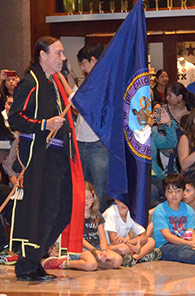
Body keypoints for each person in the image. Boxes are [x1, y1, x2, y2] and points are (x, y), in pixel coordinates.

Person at [8, 36, 84, 281]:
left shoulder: (55, 82)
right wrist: (44, 124)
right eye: (59, 53)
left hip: (60, 156)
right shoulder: (30, 82)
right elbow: (16, 119)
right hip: (41, 158)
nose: (63, 58)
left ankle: (34, 258)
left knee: (63, 208)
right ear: (43, 55)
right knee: (44, 210)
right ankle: (27, 265)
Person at [42, 182, 122, 271]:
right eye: (83, 197)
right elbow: (79, 238)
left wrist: (104, 251)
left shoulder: (98, 216)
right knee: (91, 265)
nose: (86, 201)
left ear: (93, 198)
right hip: (80, 248)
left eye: (89, 197)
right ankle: (64, 263)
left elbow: (102, 238)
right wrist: (94, 251)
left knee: (118, 260)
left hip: (96, 247)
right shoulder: (74, 216)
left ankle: (91, 262)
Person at [152, 173, 195, 266]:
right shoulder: (160, 210)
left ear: (183, 193)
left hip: (184, 241)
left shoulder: (188, 209)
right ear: (165, 193)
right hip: (164, 245)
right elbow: (167, 236)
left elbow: (190, 231)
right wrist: (189, 244)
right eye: (170, 191)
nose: (174, 195)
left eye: (178, 191)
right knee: (181, 250)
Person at [74, 44, 110, 212]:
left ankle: (99, 226)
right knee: (83, 188)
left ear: (93, 60)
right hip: (80, 141)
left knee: (99, 190)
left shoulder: (105, 81)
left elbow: (79, 103)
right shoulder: (89, 81)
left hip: (98, 144)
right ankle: (85, 225)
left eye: (83, 64)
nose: (82, 68)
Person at [103, 198, 161, 265]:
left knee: (151, 241)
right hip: (107, 246)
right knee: (124, 248)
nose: (124, 203)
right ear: (116, 200)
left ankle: (133, 259)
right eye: (122, 200)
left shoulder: (131, 213)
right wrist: (132, 246)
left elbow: (144, 237)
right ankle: (139, 256)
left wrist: (129, 242)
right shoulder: (111, 212)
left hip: (124, 243)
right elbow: (113, 240)